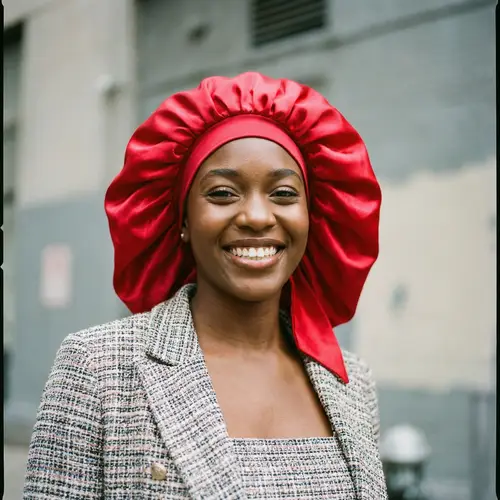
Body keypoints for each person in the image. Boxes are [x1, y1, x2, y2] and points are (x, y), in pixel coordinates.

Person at [24, 72, 387, 499]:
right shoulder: (98, 369)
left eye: (284, 193)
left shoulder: (351, 382)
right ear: (181, 220)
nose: (256, 216)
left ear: (313, 216)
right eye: (222, 193)